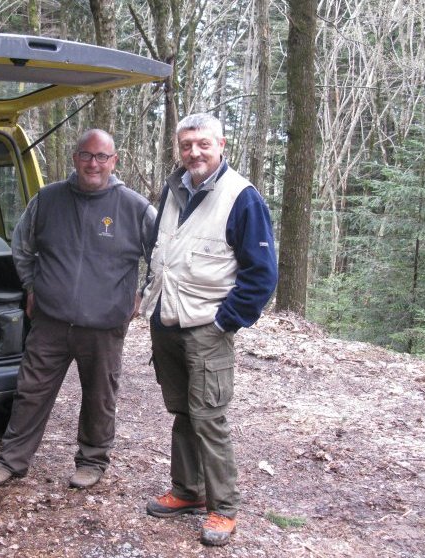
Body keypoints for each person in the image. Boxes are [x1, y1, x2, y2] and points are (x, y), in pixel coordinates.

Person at [0, 129, 156, 489]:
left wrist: (143, 295)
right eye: (86, 155)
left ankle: (92, 461)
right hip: (50, 320)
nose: (93, 163)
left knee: (99, 396)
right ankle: (11, 460)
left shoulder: (135, 207)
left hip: (104, 324)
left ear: (114, 161)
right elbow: (22, 247)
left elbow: (162, 257)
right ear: (75, 158)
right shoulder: (48, 199)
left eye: (102, 156)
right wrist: (31, 286)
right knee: (30, 391)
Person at [140, 113, 278, 546]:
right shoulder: (173, 189)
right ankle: (188, 491)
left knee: (209, 418)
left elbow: (262, 274)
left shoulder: (242, 197)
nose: (194, 152)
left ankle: (224, 509)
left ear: (221, 145)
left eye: (203, 144)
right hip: (166, 319)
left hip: (207, 327)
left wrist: (225, 321)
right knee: (182, 412)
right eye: (186, 145)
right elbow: (159, 248)